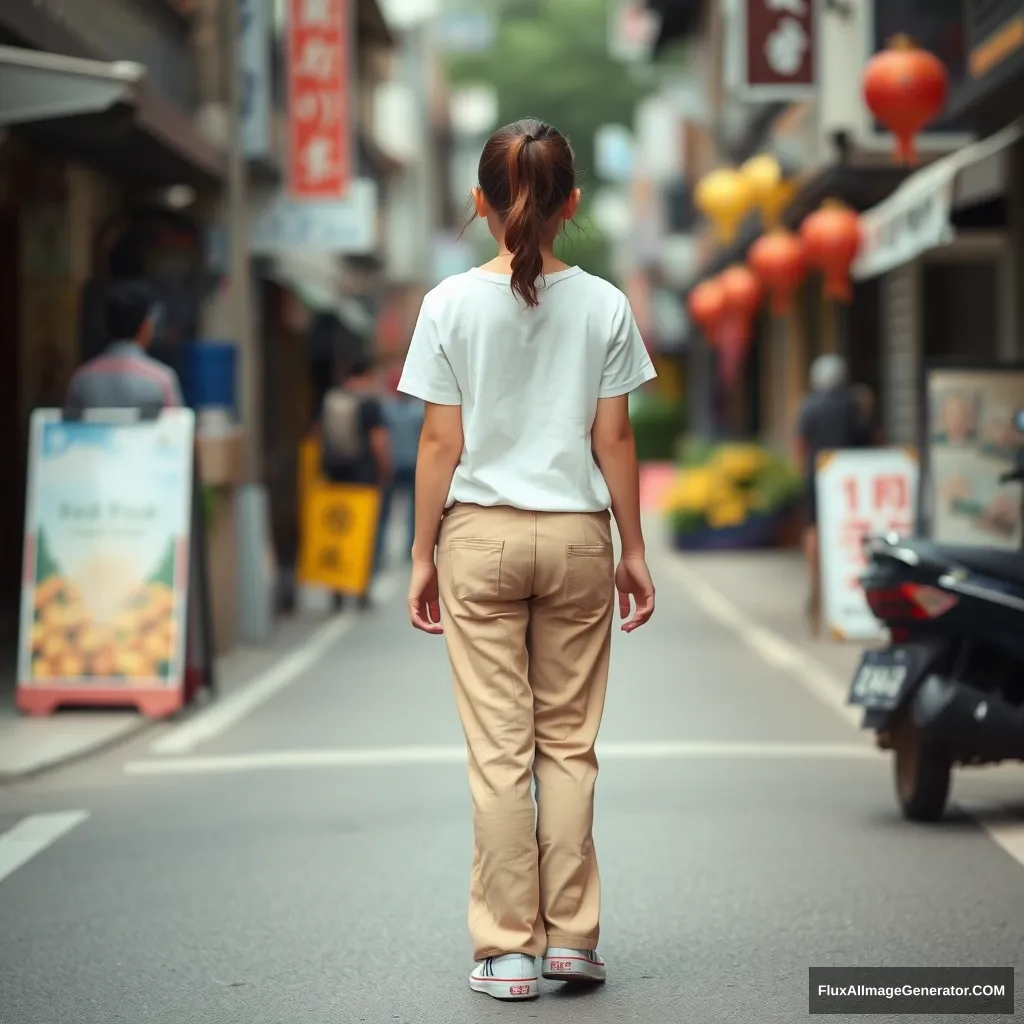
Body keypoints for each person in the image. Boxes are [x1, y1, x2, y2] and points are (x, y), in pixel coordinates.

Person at [397, 118, 657, 1002]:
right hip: (579, 535)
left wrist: (421, 553)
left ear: (479, 201)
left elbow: (440, 441)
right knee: (569, 747)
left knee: (500, 750)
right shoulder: (607, 304)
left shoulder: (446, 305)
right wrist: (635, 548)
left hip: (480, 535)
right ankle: (572, 941)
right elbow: (613, 437)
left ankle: (508, 949)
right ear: (571, 205)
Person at [794, 354, 872, 636]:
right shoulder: (853, 405)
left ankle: (816, 591)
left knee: (814, 532)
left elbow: (800, 445)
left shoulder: (809, 406)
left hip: (817, 478)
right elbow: (869, 439)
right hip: (849, 484)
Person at [318, 356, 392, 610]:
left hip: (334, 476)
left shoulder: (332, 399)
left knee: (336, 532)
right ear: (367, 375)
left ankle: (336, 591)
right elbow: (378, 440)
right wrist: (384, 469)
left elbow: (317, 434)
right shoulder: (370, 403)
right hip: (363, 477)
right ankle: (361, 591)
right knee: (364, 532)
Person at [66, 280, 183, 411]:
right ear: (145, 327)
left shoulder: (81, 379)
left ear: (105, 325)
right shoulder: (161, 380)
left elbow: (70, 427)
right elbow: (176, 427)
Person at [380, 384, 424, 562]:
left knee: (384, 512)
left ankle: (380, 551)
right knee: (415, 512)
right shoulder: (420, 410)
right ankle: (411, 549)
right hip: (414, 464)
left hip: (392, 463)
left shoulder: (385, 409)